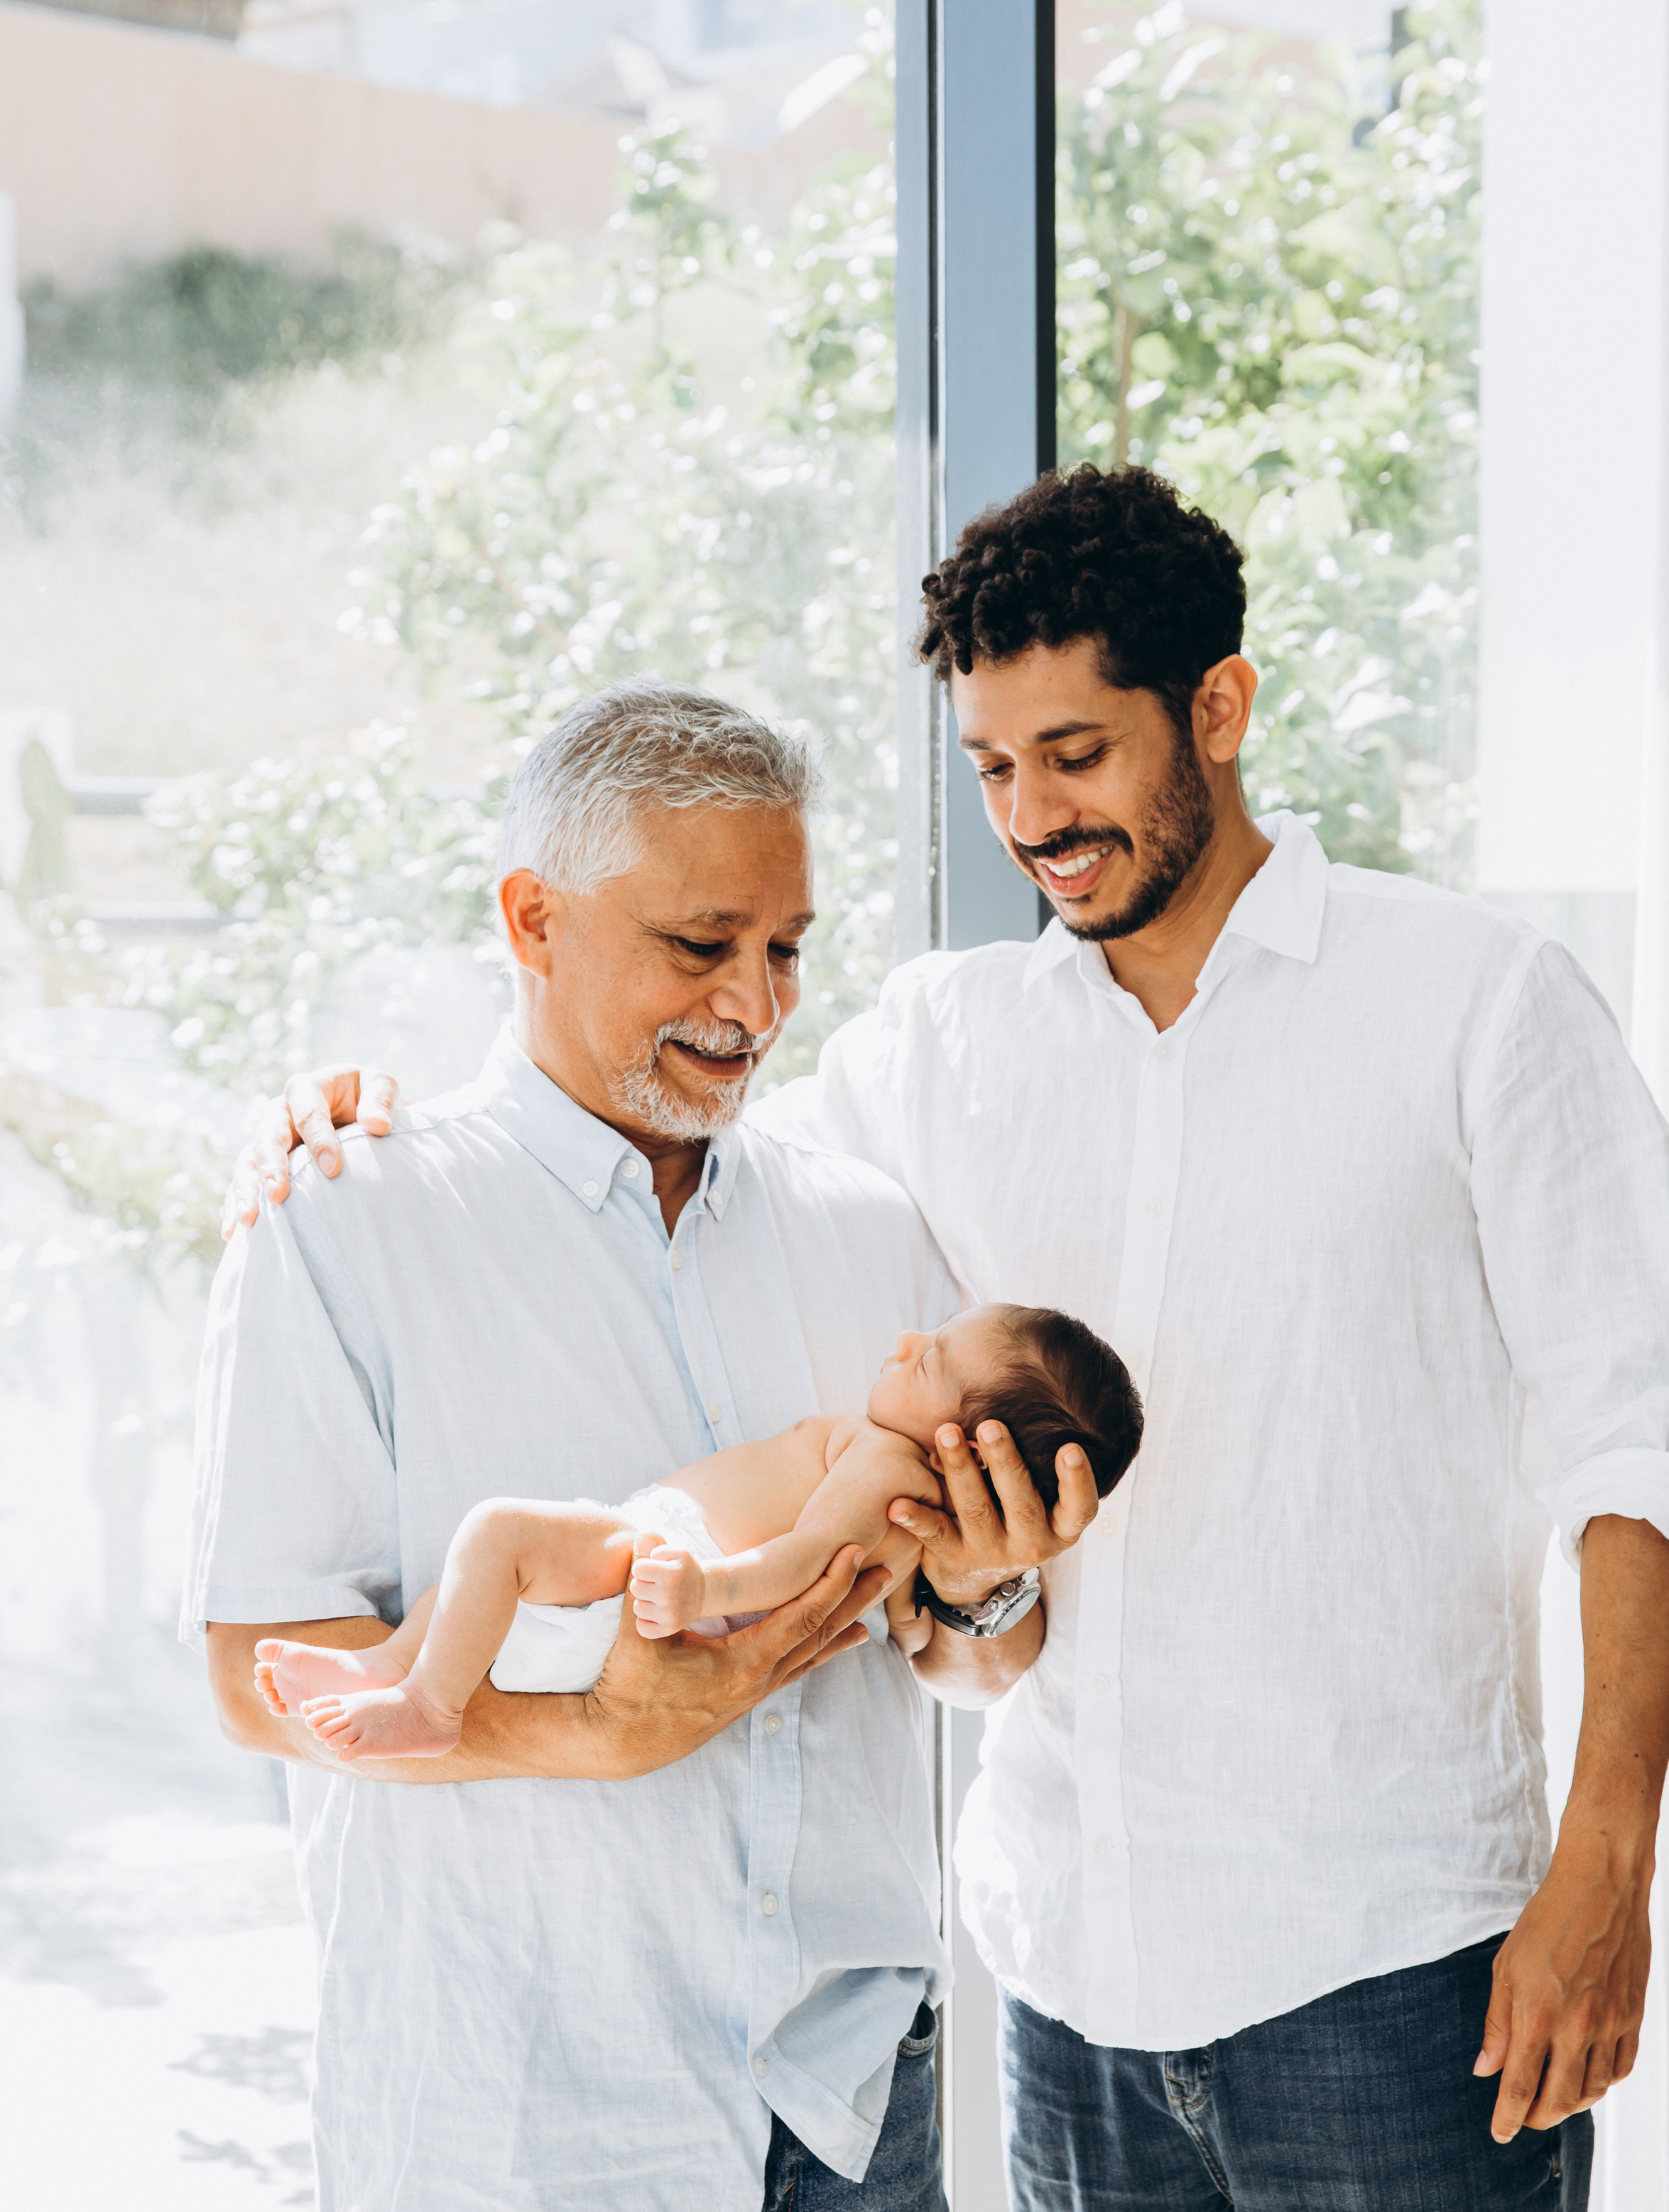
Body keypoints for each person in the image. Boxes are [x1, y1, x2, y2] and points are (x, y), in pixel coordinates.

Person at [237, 466, 1669, 2211]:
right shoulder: (930, 1050)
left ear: (1219, 707)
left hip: (1391, 1971)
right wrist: (362, 1120)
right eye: (991, 766)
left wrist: (1605, 1863)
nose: (1032, 814)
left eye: (1077, 752)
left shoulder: (1473, 1001)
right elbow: (665, 1094)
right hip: (1058, 1974)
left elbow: (1645, 1435)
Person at [187, 680, 1108, 2212]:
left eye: (788, 948)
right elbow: (252, 1670)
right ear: (533, 921)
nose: (754, 1005)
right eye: (701, 946)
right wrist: (601, 1732)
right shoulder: (347, 1220)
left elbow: (953, 1654)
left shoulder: (871, 1233)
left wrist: (992, 1597)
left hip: (849, 2106)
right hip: (522, 2112)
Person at [251, 1303, 1141, 1763]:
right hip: (668, 1568)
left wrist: (702, 1588)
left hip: (676, 1561)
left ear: (973, 1448)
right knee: (486, 1579)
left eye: (934, 1359)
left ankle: (427, 1705)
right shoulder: (913, 1517)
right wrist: (916, 1617)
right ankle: (386, 1668)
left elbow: (803, 1559)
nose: (907, 1342)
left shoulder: (886, 1464)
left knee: (494, 1536)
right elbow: (900, 1621)